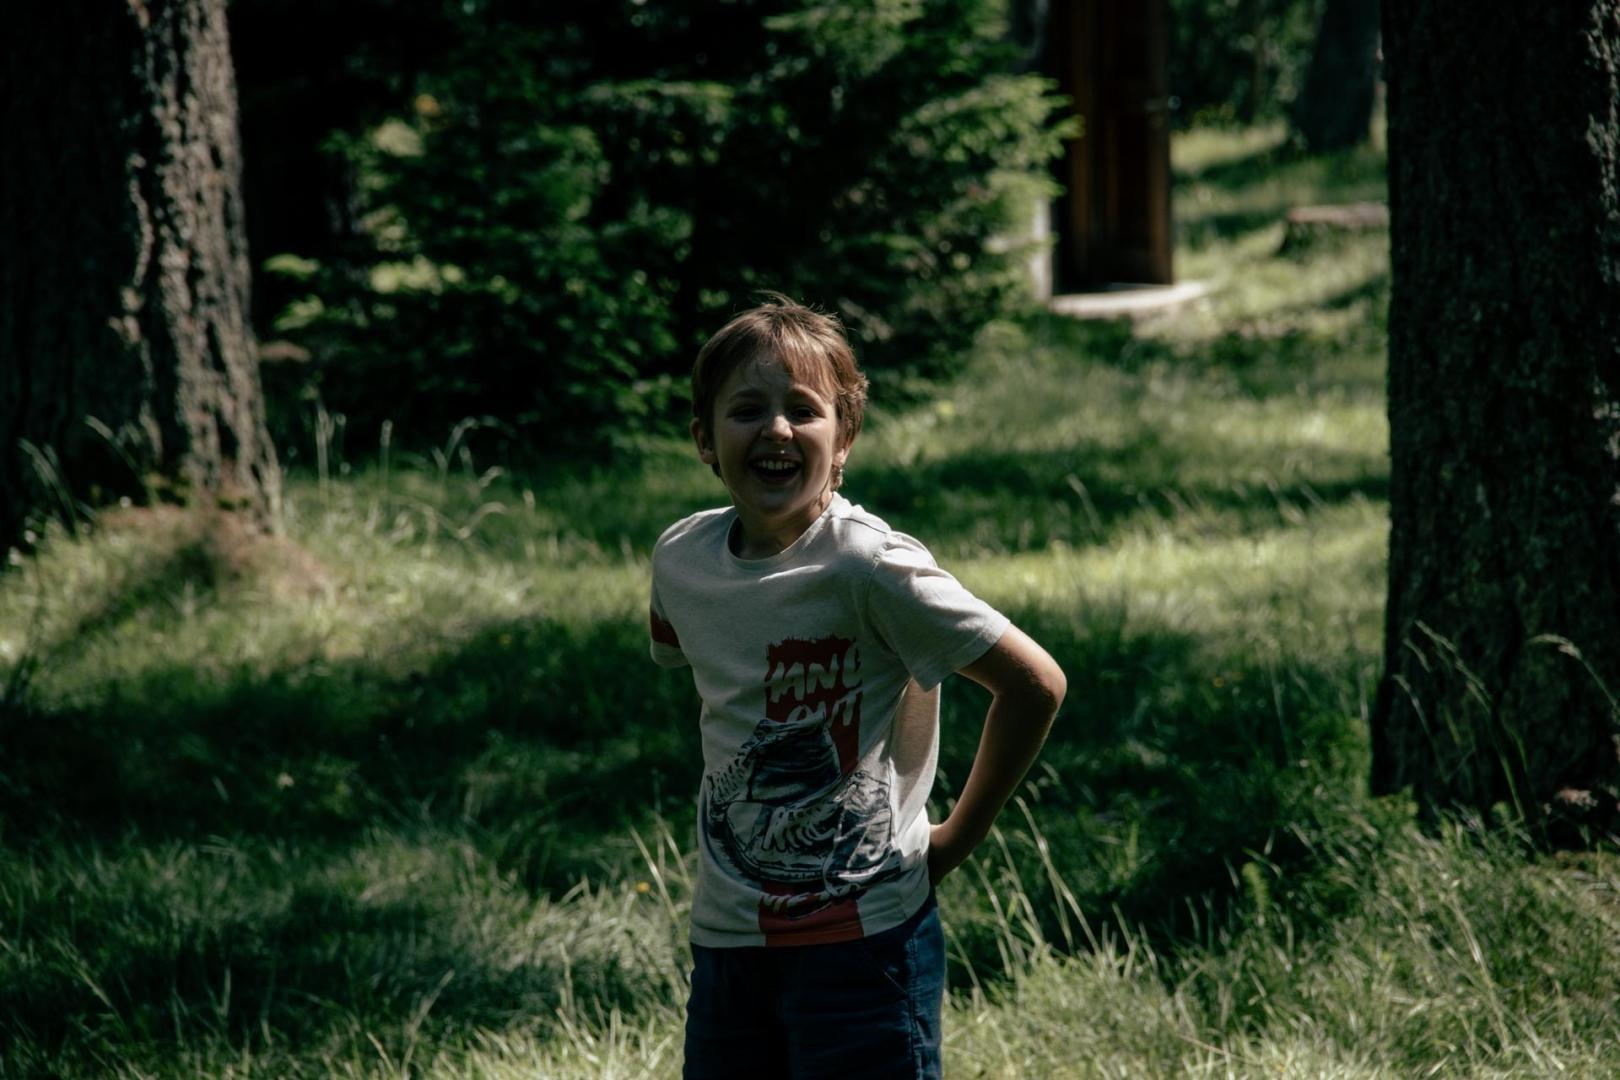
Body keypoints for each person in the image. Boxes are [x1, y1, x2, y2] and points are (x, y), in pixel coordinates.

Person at [648, 294, 1066, 1080]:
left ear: (844, 437)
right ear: (704, 438)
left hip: (866, 945)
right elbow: (711, 682)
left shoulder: (872, 566)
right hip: (728, 938)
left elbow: (1034, 684)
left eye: (803, 410)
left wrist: (950, 842)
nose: (776, 430)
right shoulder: (680, 561)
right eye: (747, 410)